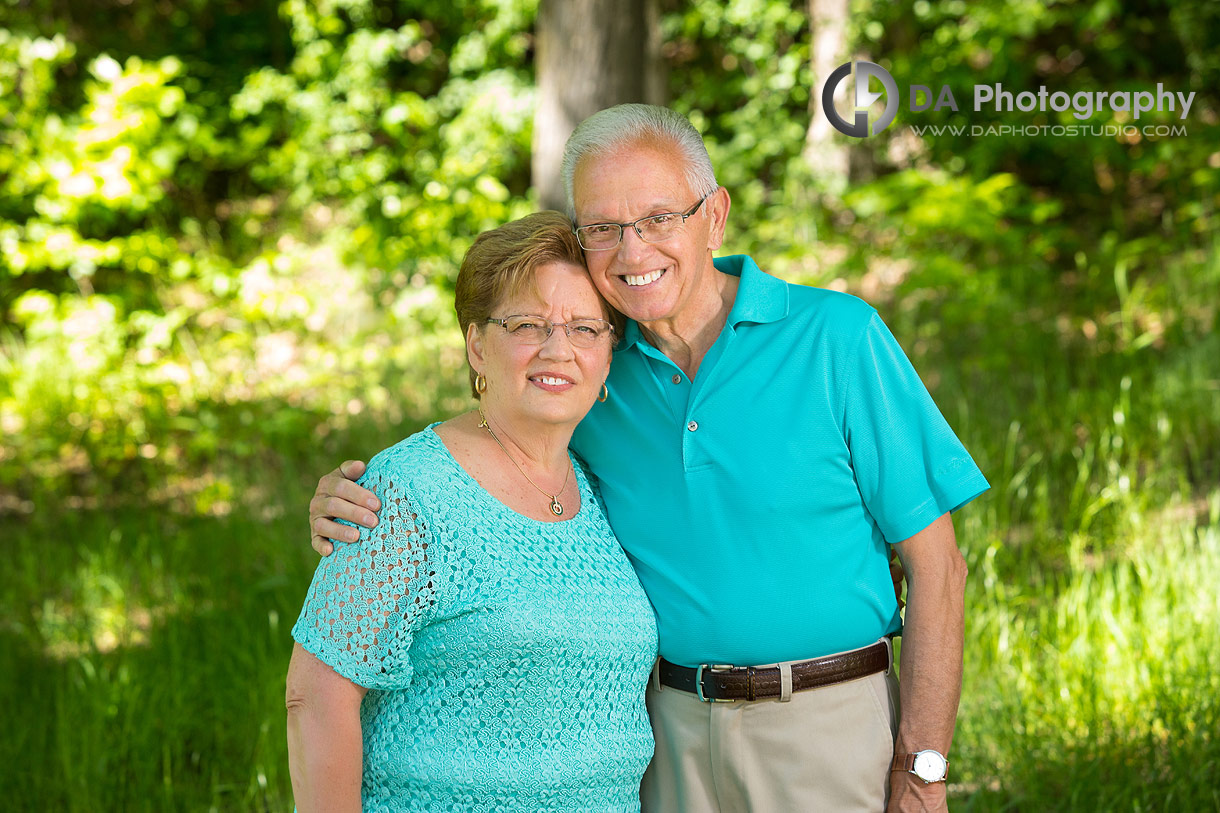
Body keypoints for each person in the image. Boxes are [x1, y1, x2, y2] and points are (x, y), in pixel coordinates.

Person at [310, 104, 990, 812]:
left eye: (659, 219)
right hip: (664, 740)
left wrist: (923, 768)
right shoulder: (596, 369)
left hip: (828, 723)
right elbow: (494, 461)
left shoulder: (838, 339)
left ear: (714, 216)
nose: (633, 252)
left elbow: (939, 568)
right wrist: (362, 501)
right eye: (603, 228)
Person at [286, 211, 658, 813]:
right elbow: (317, 696)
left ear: (609, 355)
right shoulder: (405, 491)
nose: (558, 349)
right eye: (527, 324)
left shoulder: (598, 484)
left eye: (585, 328)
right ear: (477, 345)